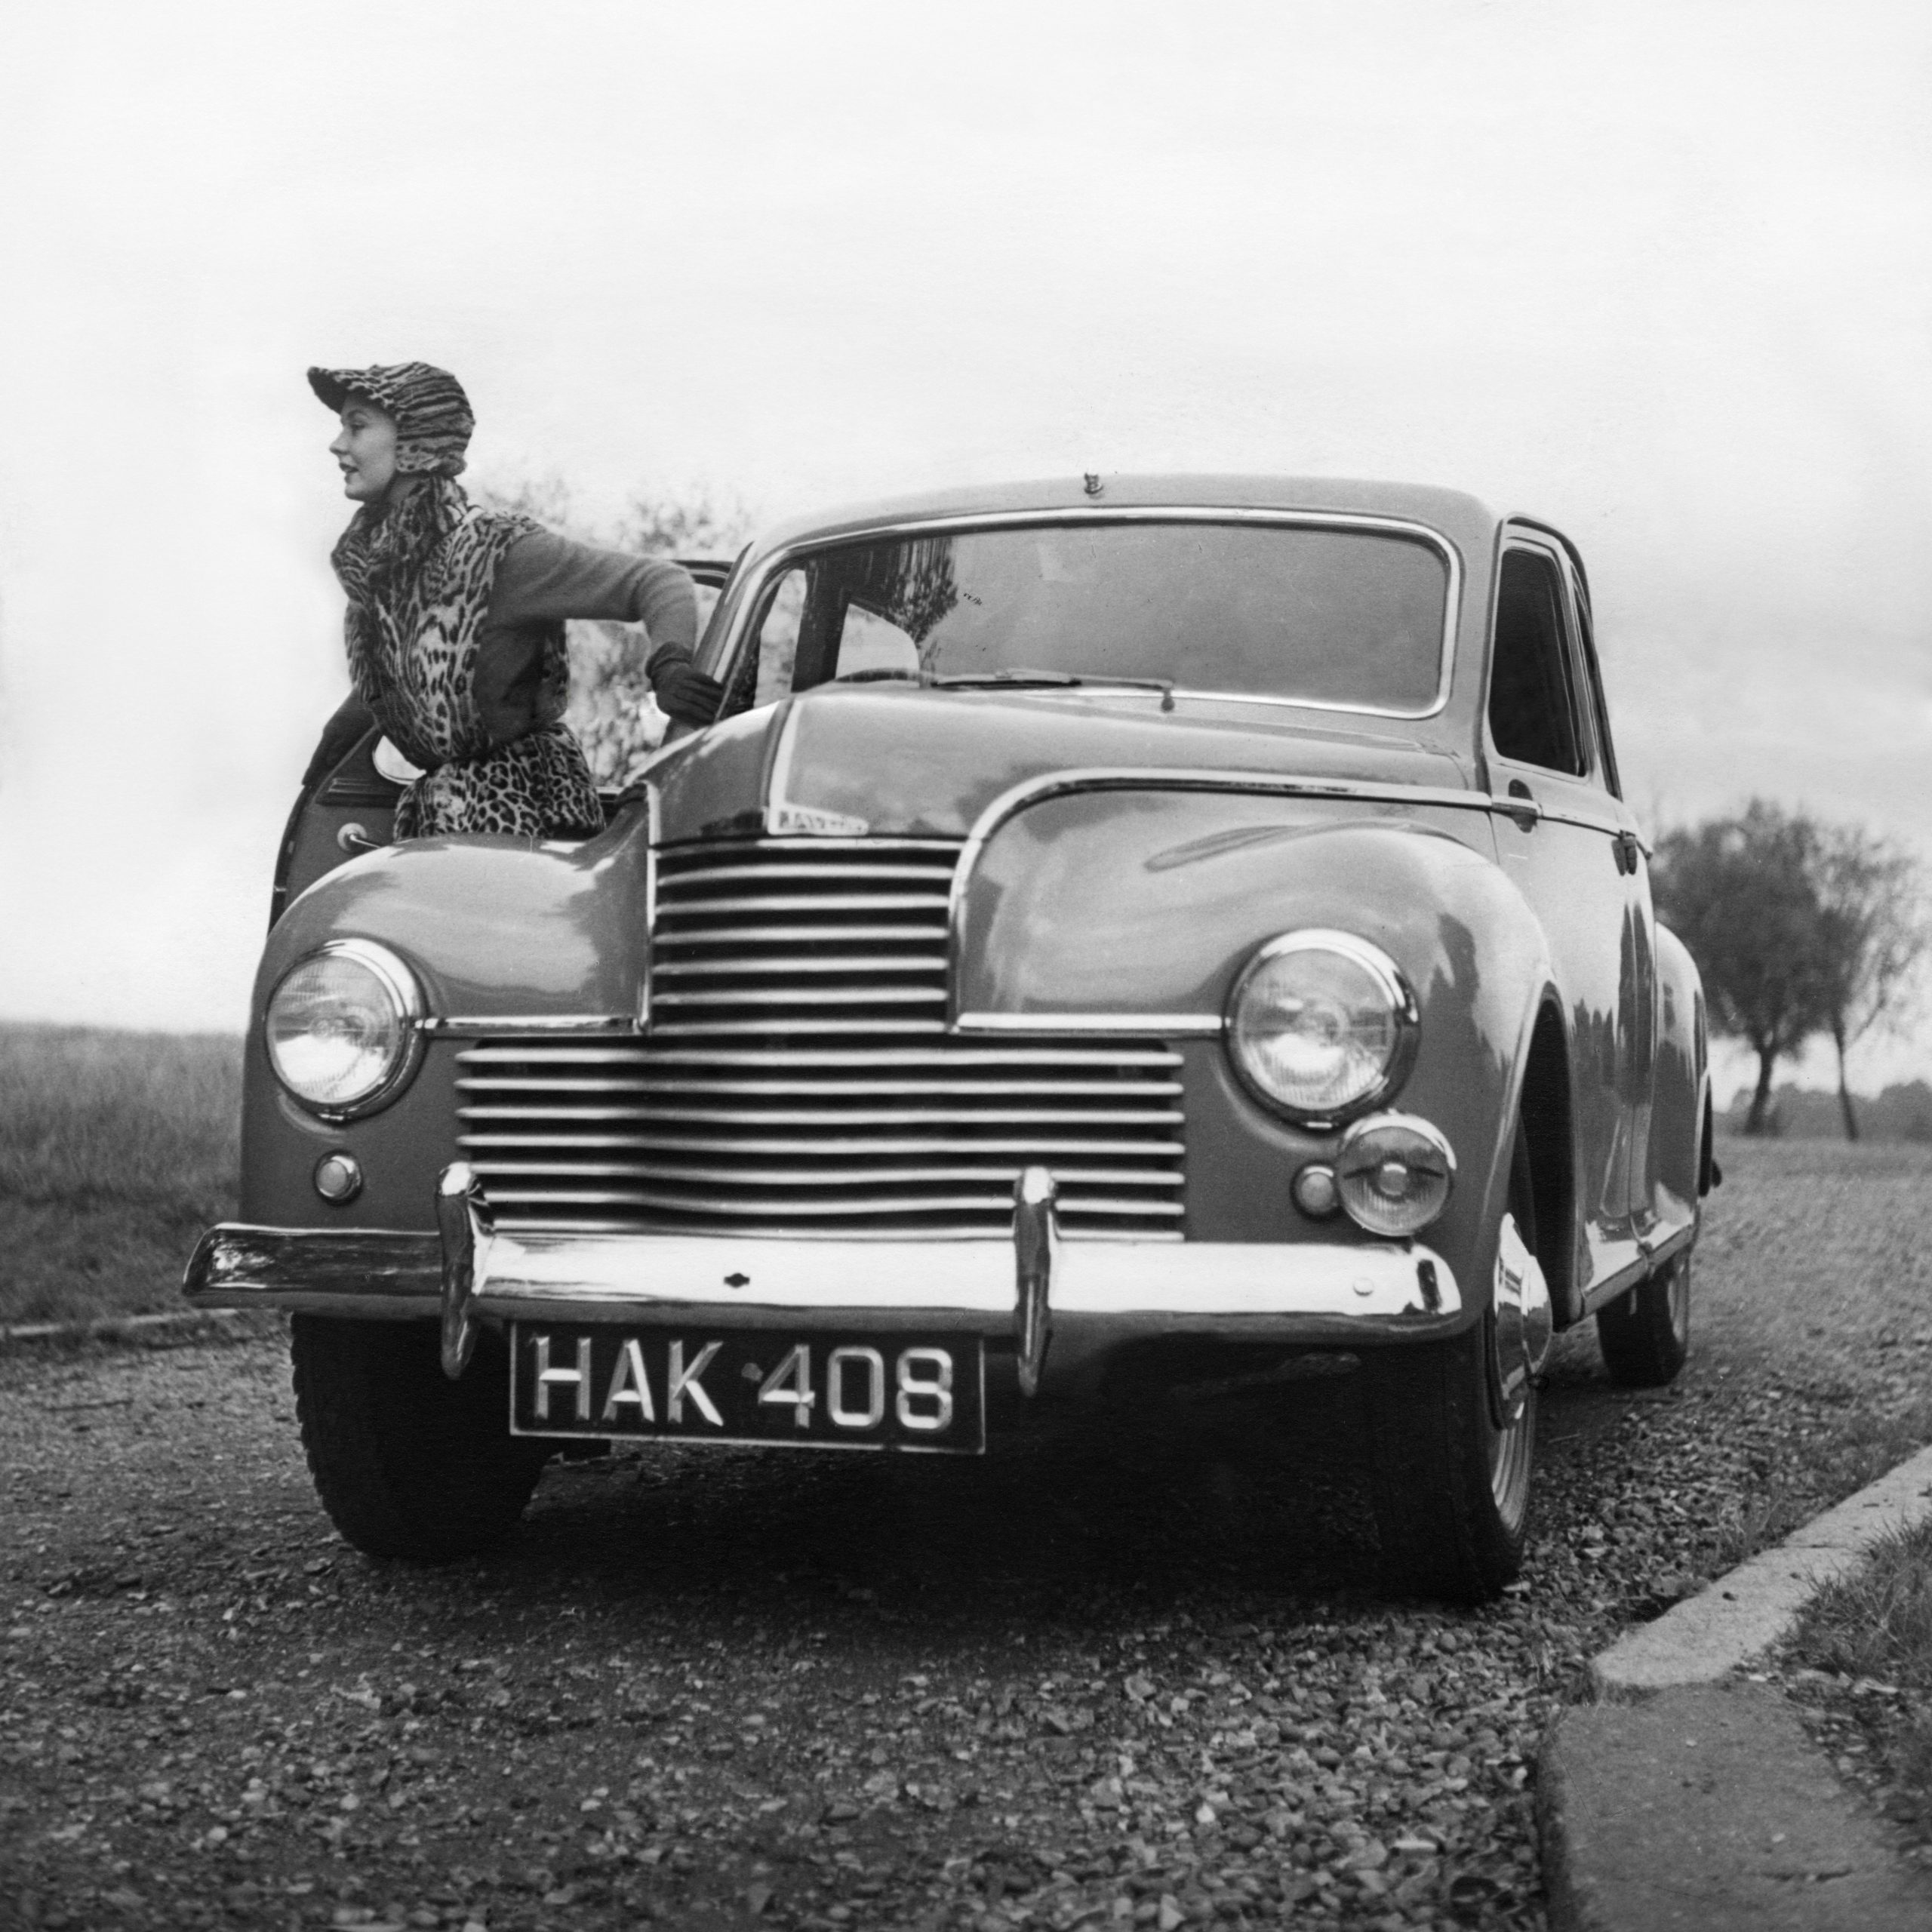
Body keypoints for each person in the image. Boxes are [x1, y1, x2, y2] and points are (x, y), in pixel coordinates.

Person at [301, 361, 722, 838]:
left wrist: (670, 667)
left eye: (357, 427)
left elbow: (659, 581)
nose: (338, 445)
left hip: (526, 826)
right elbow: (416, 668)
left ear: (416, 445)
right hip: (443, 828)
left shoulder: (498, 554)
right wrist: (342, 733)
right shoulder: (382, 577)